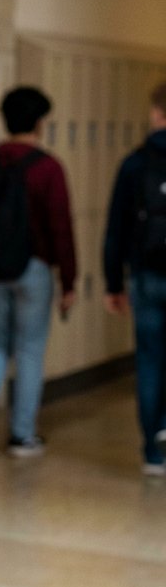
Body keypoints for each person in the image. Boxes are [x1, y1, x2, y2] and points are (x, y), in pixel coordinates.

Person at [0, 86, 76, 458]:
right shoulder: (47, 168)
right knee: (28, 350)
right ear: (40, 123)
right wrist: (69, 280)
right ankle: (22, 436)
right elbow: (61, 228)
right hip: (33, 270)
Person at [103, 83, 166, 476]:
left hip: (145, 274)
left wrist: (113, 283)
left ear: (156, 113)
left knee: (149, 359)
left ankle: (152, 450)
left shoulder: (135, 163)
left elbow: (116, 228)